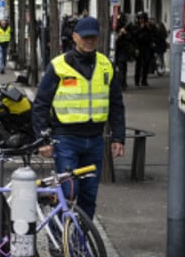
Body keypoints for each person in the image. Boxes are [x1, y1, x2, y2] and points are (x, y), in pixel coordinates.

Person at [32, 16, 126, 220]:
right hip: (66, 138)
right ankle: (59, 238)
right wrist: (43, 139)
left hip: (95, 139)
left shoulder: (106, 65)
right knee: (68, 193)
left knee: (89, 195)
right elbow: (40, 104)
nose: (89, 41)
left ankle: (79, 241)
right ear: (75, 37)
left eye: (93, 37)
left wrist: (118, 137)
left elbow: (116, 104)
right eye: (85, 37)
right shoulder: (59, 66)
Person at [132, 13, 153, 87]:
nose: (142, 20)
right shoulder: (136, 26)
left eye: (143, 19)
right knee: (138, 64)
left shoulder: (148, 27)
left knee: (146, 64)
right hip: (139, 47)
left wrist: (148, 28)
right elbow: (134, 35)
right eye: (140, 19)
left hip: (147, 48)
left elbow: (152, 35)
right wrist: (140, 28)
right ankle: (136, 80)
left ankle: (144, 80)